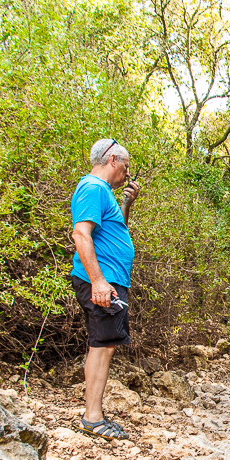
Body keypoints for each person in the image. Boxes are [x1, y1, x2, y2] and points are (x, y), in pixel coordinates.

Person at [70, 138, 141, 440]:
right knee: (101, 345)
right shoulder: (93, 188)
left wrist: (127, 203)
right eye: (126, 167)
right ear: (112, 160)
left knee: (105, 343)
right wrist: (98, 281)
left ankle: (94, 416)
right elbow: (81, 235)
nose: (127, 173)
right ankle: (93, 418)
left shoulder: (104, 194)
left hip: (110, 279)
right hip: (102, 280)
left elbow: (115, 231)